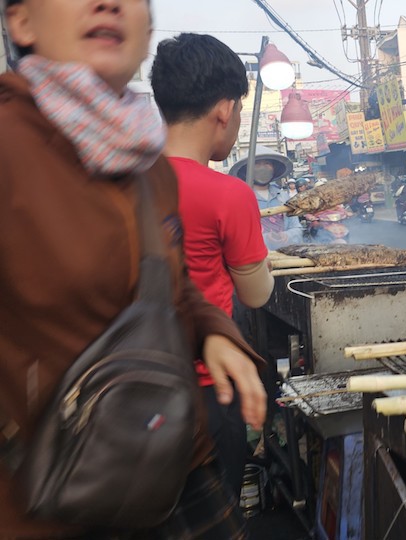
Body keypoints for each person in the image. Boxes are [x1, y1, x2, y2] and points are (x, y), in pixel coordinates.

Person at [0, 1, 266, 538]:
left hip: (175, 455)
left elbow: (167, 287)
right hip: (53, 493)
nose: (110, 3)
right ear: (21, 22)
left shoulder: (144, 162)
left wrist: (214, 333)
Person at [151, 32, 275, 499]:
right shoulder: (229, 193)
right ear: (224, 109)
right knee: (215, 509)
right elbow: (256, 295)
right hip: (209, 388)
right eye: (240, 110)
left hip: (136, 388)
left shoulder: (123, 181)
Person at [229, 146, 304, 250]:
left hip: (285, 257)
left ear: (274, 168)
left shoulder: (283, 196)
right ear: (248, 169)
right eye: (257, 164)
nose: (262, 167)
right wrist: (265, 238)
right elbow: (237, 236)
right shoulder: (240, 198)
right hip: (255, 261)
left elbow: (297, 228)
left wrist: (286, 236)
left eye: (267, 164)